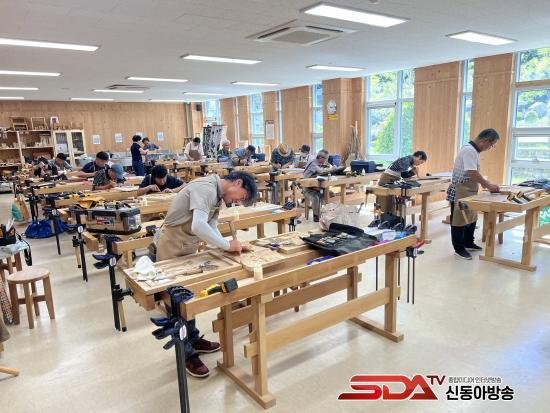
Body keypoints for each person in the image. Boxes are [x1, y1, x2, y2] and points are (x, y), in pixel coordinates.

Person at [154, 171, 257, 378]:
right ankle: (186, 353)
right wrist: (227, 245)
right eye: (242, 196)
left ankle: (193, 338)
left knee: (188, 296)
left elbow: (211, 225)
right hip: (172, 246)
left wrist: (227, 246)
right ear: (238, 183)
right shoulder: (206, 188)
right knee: (176, 301)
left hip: (187, 246)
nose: (238, 201)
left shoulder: (217, 196)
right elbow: (198, 225)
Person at [447, 128, 500, 260]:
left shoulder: (474, 151)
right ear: (485, 140)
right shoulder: (469, 150)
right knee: (459, 220)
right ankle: (459, 249)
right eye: (491, 145)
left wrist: (485, 184)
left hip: (469, 189)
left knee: (471, 217)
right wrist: (488, 185)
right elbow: (472, 172)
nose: (490, 148)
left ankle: (468, 242)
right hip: (461, 189)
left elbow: (472, 172)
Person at [303, 149, 332, 222]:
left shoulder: (319, 163)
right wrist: (332, 169)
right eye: (325, 158)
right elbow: (321, 171)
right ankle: (316, 216)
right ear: (321, 157)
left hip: (317, 187)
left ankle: (328, 213)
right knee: (316, 198)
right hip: (308, 188)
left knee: (331, 194)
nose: (326, 160)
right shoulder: (313, 163)